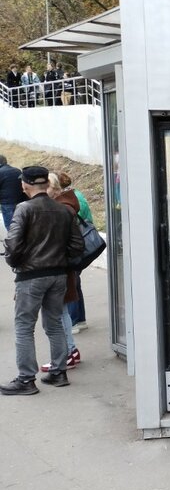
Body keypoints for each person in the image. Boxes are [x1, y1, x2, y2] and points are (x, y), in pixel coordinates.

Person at [0, 165, 84, 395]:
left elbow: (12, 245)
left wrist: (15, 263)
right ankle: (59, 372)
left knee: (24, 327)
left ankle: (26, 379)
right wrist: (60, 261)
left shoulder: (23, 209)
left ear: (25, 185)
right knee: (54, 324)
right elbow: (77, 246)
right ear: (47, 183)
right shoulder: (63, 210)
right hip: (58, 275)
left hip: (31, 276)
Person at [39, 173, 84, 371]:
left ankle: (66, 353)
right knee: (61, 310)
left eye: (46, 187)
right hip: (62, 267)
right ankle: (71, 351)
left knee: (57, 313)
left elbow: (63, 241)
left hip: (59, 267)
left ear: (55, 188)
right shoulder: (65, 204)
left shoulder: (61, 208)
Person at [58, 171, 90, 332]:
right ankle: (80, 319)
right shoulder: (75, 195)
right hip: (78, 245)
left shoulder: (69, 201)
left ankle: (75, 320)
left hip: (75, 247)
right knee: (75, 284)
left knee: (71, 284)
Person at [0, 155, 27, 231]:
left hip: (7, 204)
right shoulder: (17, 170)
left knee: (11, 227)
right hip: (21, 202)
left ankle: (15, 238)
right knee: (21, 225)